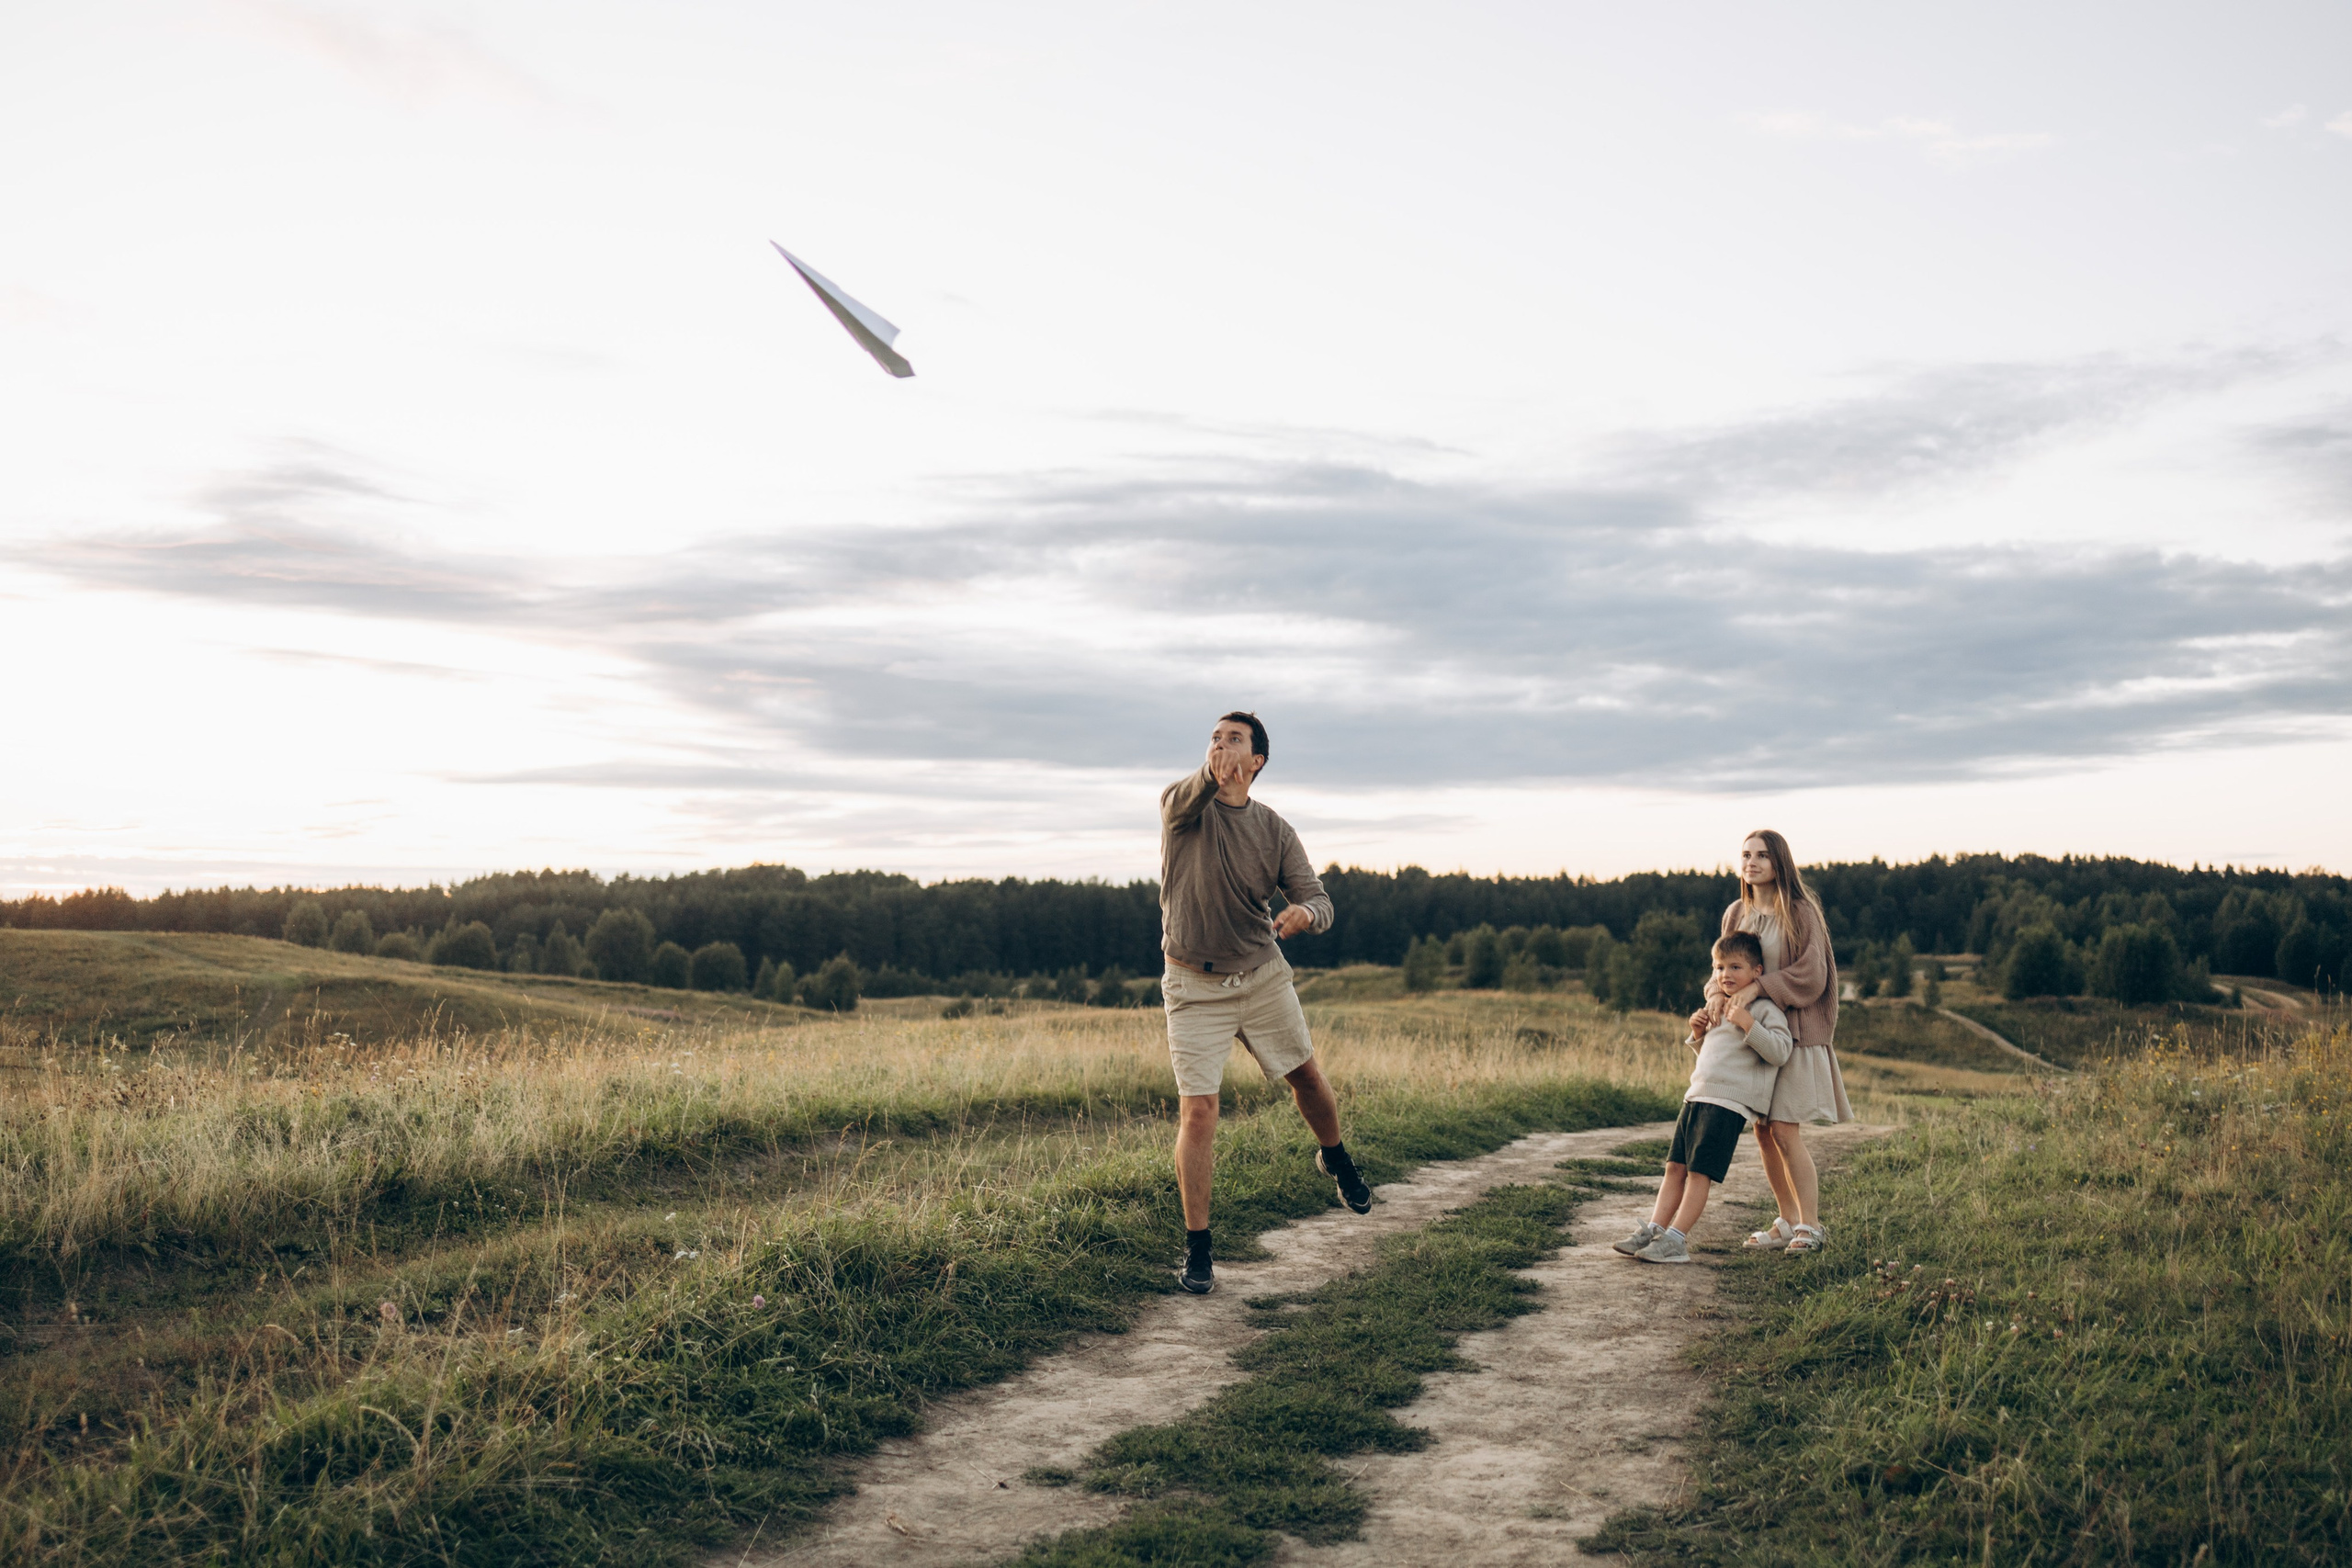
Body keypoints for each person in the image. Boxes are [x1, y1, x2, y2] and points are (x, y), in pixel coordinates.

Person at [1159, 711, 1371, 1295]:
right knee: (1199, 1111)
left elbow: (1318, 898)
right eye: (1214, 738)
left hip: (1260, 974)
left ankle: (1336, 1157)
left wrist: (1307, 913)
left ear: (1257, 764)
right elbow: (1182, 798)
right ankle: (1199, 1249)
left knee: (1305, 1077)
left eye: (1235, 740)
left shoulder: (1274, 829)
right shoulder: (1184, 809)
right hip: (1193, 986)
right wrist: (1206, 774)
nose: (1221, 746)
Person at [1690, 829, 1849, 1256]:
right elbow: (1722, 967)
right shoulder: (1735, 912)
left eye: (1761, 855)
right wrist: (1716, 998)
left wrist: (1759, 990)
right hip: (1748, 1039)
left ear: (1780, 862)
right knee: (1762, 1131)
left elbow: (1812, 976)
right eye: (1745, 855)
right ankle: (1787, 1221)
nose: (1751, 862)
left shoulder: (1799, 912)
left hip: (1792, 1034)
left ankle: (1811, 1227)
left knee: (1784, 1128)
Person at [1614, 931, 1792, 1264]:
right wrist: (1698, 1035)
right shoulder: (1718, 1005)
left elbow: (1781, 1052)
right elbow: (1712, 1057)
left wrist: (1749, 1024)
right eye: (1719, 968)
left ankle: (1676, 1240)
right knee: (1674, 1168)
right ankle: (1654, 1229)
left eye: (1735, 967)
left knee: (1699, 1173)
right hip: (1696, 1095)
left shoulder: (1766, 1009)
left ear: (1757, 973)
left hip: (1728, 1104)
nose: (1726, 975)